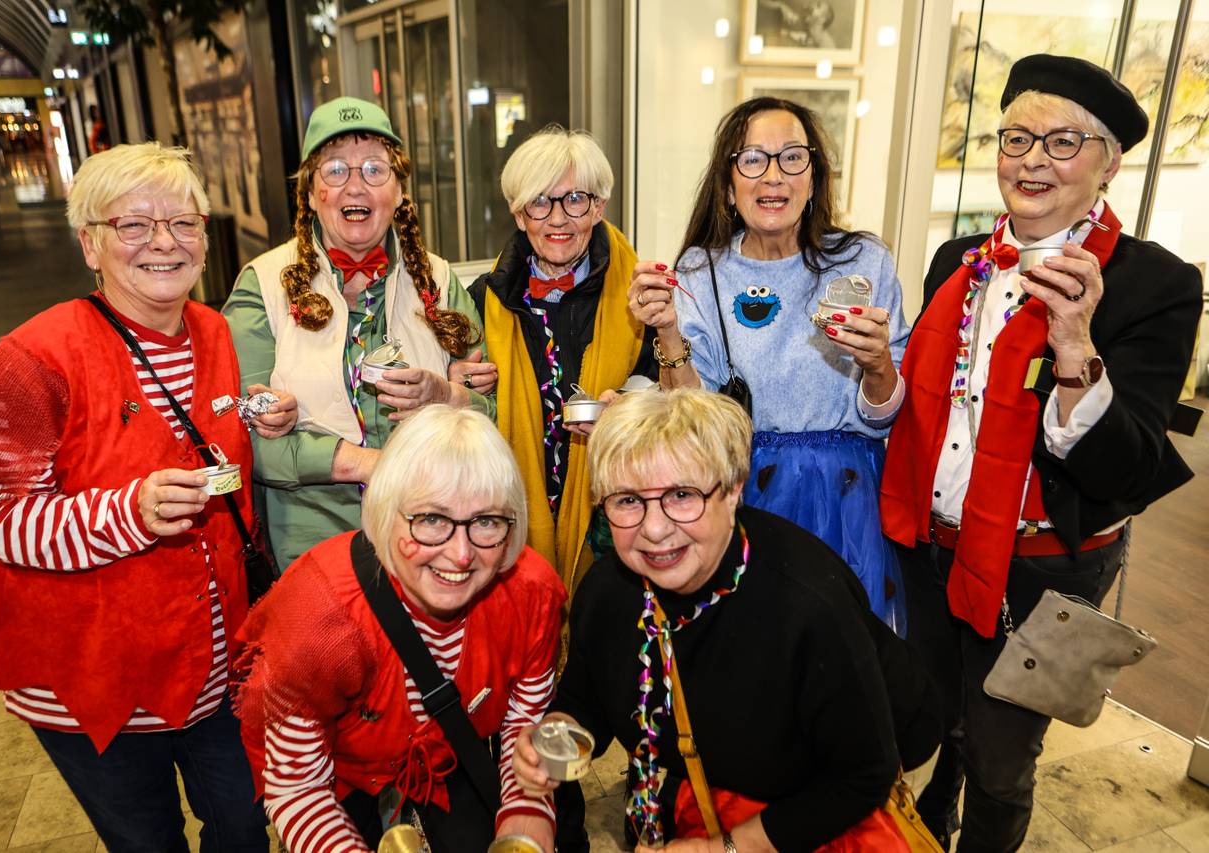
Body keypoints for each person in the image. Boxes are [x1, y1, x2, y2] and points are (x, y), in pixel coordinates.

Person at [0, 142, 299, 850]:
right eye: (133, 224)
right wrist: (128, 512)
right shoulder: (35, 357)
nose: (164, 242)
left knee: (245, 826)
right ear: (90, 244)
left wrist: (252, 414)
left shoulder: (213, 329)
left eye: (183, 223)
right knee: (147, 841)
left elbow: (188, 427)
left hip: (216, 668)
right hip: (95, 680)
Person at [879, 54, 1203, 853]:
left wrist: (1074, 346)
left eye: (1062, 142)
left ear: (1109, 163)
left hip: (1043, 565)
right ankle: (938, 799)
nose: (1031, 160)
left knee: (1001, 757)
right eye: (1016, 138)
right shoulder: (959, 260)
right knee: (936, 710)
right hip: (931, 547)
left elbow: (1127, 466)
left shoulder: (1154, 284)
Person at [513, 388, 940, 851]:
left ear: (734, 489)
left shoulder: (807, 605)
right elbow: (588, 696)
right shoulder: (607, 592)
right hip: (708, 785)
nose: (654, 529)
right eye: (628, 500)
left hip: (830, 793)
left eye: (682, 495)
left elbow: (863, 775)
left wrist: (726, 848)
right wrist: (553, 740)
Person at [631, 97, 910, 630]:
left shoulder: (863, 260)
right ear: (728, 184)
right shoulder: (701, 270)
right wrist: (665, 328)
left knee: (840, 647)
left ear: (814, 178)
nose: (773, 175)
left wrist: (878, 366)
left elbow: (885, 416)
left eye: (792, 157)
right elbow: (693, 415)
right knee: (753, 645)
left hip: (846, 495)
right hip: (744, 488)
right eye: (753, 159)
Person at [234, 405, 565, 853]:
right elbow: (298, 787)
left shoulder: (532, 593)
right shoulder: (318, 620)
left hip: (452, 752)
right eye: (431, 519)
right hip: (340, 772)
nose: (461, 555)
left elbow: (525, 718)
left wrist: (527, 808)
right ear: (386, 512)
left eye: (486, 521)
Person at [224, 96, 493, 570]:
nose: (355, 186)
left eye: (374, 169)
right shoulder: (261, 285)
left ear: (399, 191)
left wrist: (445, 396)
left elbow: (490, 413)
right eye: (335, 170)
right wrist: (367, 462)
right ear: (311, 194)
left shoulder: (439, 281)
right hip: (312, 544)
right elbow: (238, 435)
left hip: (431, 530)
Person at [468, 126, 662, 596]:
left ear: (599, 207)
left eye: (575, 199)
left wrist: (630, 408)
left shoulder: (639, 295)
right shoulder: (481, 301)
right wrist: (463, 387)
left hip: (612, 516)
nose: (558, 218)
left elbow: (665, 388)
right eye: (540, 201)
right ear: (519, 214)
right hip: (514, 504)